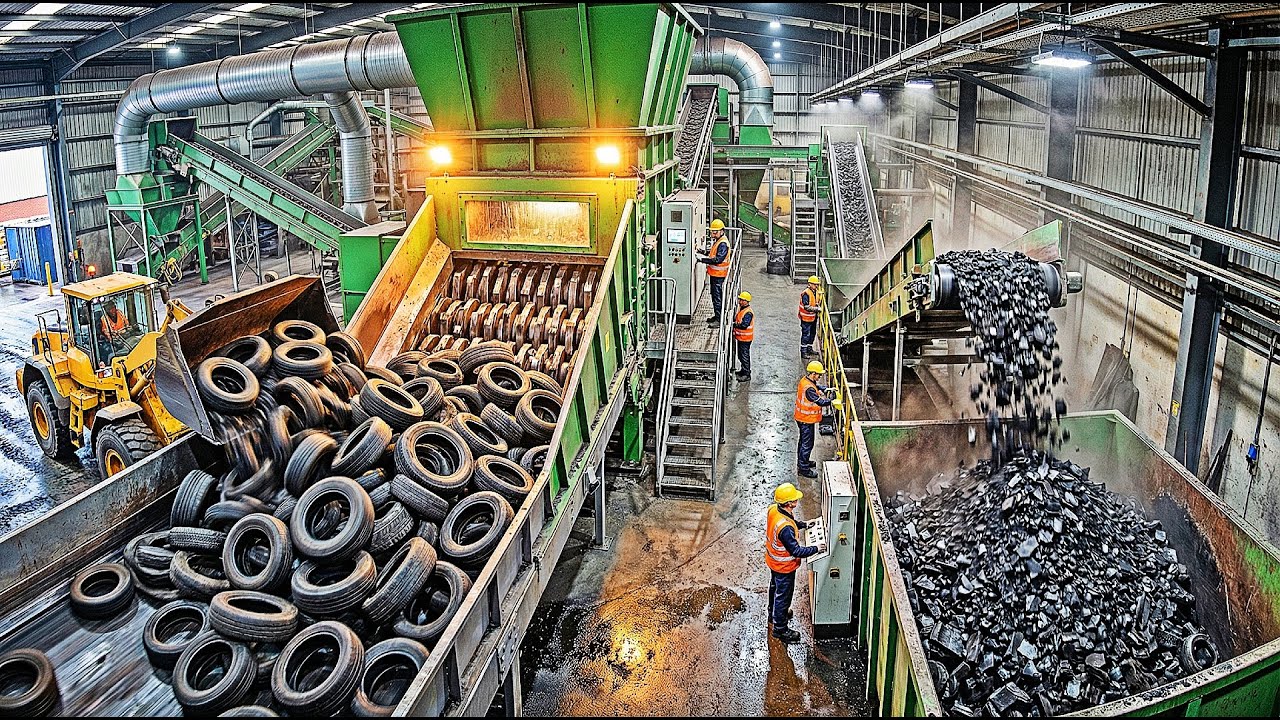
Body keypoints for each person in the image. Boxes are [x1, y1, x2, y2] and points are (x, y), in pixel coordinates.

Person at [766, 482, 825, 644]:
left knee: (775, 589)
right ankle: (780, 629)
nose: (797, 501)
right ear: (789, 503)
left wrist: (804, 525)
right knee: (783, 596)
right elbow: (796, 551)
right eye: (794, 499)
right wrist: (816, 548)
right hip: (784, 567)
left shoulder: (774, 509)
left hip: (773, 562)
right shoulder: (785, 529)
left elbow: (789, 521)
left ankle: (774, 614)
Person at [795, 361, 834, 479]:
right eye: (818, 375)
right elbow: (821, 402)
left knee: (803, 442)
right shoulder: (809, 389)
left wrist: (826, 388)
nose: (820, 377)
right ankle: (804, 469)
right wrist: (831, 399)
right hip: (806, 420)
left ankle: (803, 462)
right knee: (807, 444)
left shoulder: (806, 381)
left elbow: (816, 386)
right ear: (813, 374)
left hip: (803, 418)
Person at [697, 218, 730, 325]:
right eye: (712, 231)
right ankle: (717, 316)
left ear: (722, 231)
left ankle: (719, 320)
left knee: (717, 297)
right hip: (715, 275)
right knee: (715, 296)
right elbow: (713, 254)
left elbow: (717, 260)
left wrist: (701, 259)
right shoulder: (719, 241)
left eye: (715, 232)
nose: (713, 234)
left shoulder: (723, 244)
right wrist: (702, 252)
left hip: (719, 276)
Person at [733, 291, 754, 381]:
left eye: (742, 300)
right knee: (741, 355)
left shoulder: (748, 313)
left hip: (745, 339)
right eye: (740, 299)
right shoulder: (742, 309)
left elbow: (744, 325)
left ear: (746, 301)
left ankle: (746, 374)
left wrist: (734, 325)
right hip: (741, 338)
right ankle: (743, 370)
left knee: (744, 355)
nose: (740, 301)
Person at [799, 275, 821, 358]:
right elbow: (806, 306)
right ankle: (803, 352)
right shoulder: (806, 293)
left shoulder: (815, 292)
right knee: (806, 335)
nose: (816, 286)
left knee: (812, 333)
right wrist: (817, 309)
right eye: (815, 284)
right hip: (806, 318)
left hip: (813, 317)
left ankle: (809, 348)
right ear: (810, 284)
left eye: (817, 284)